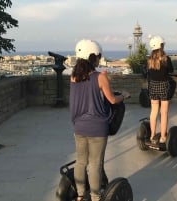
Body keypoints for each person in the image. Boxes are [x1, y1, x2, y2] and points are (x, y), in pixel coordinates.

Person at [69, 39, 130, 201]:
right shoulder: (99, 77)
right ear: (92, 57)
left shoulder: (74, 77)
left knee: (81, 162)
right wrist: (123, 95)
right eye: (98, 56)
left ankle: (80, 195)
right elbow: (111, 100)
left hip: (79, 127)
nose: (99, 59)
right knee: (95, 164)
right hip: (97, 128)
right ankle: (96, 197)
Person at [147, 35, 174, 144]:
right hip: (164, 86)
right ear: (161, 45)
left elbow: (149, 73)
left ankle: (152, 135)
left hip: (153, 86)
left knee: (153, 112)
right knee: (164, 112)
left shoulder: (149, 59)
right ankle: (163, 137)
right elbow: (171, 70)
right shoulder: (166, 59)